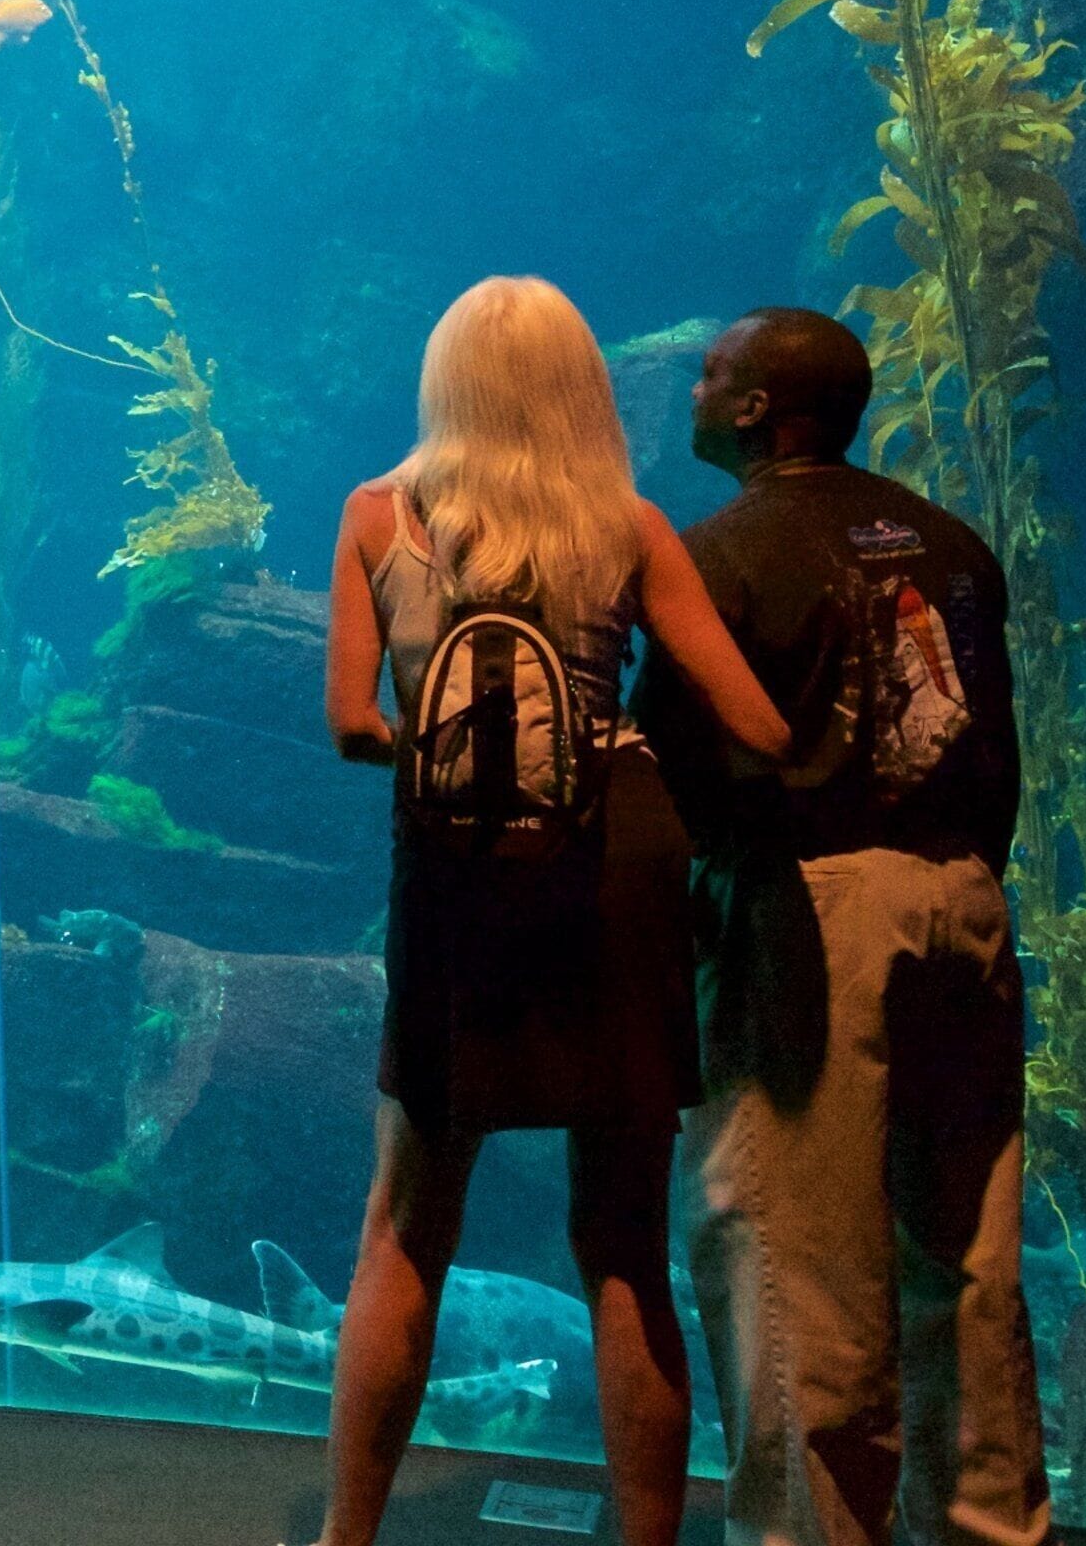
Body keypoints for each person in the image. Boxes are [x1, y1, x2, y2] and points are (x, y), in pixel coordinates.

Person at [311, 277, 791, 1546]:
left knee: (407, 1225)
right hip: (616, 869)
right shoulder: (625, 523)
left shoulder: (377, 516)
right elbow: (754, 723)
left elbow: (353, 724)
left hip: (457, 874)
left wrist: (456, 757)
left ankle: (345, 1536)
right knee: (624, 1237)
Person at [630, 307, 1050, 1546]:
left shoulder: (717, 558)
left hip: (812, 910)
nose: (695, 389)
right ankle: (992, 1529)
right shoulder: (951, 545)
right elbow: (996, 744)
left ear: (760, 409)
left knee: (793, 1268)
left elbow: (681, 768)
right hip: (966, 895)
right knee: (968, 1260)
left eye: (711, 374)